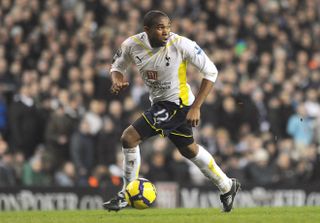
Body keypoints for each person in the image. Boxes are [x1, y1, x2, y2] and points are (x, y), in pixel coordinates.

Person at [103, 10, 240, 212]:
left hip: (178, 105)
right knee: (189, 149)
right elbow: (117, 66)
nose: (166, 31)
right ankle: (227, 186)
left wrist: (196, 107)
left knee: (129, 138)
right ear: (146, 30)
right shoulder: (132, 45)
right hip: (160, 103)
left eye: (168, 26)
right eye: (160, 28)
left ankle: (126, 194)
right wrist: (116, 80)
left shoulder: (181, 44)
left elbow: (211, 71)